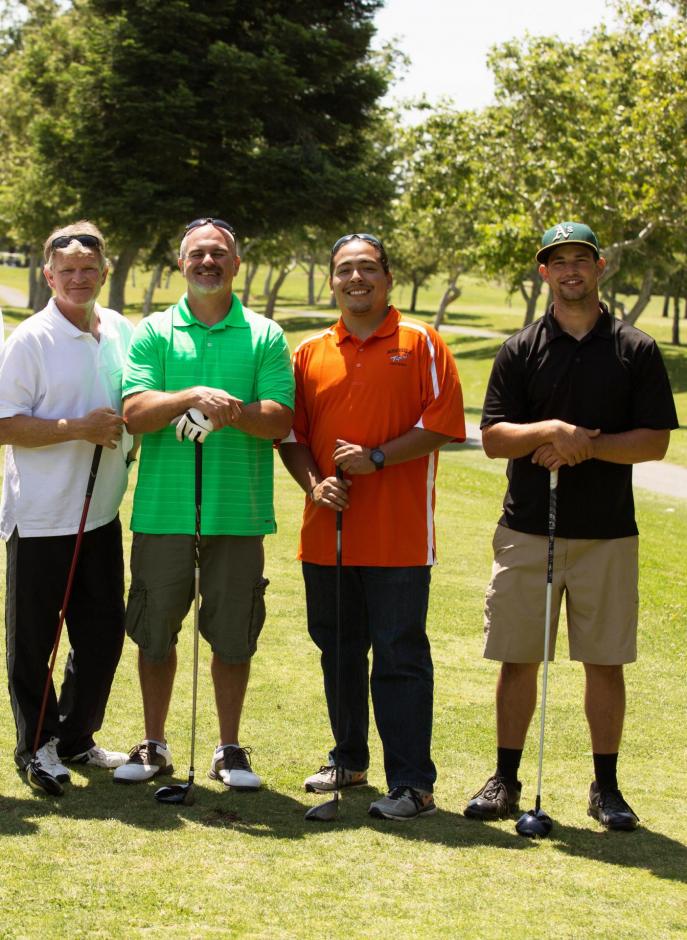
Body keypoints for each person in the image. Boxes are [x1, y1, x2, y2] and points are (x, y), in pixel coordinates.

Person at [464, 221, 679, 831]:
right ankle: (505, 778)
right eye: (558, 262)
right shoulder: (520, 349)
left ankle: (606, 788)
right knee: (518, 659)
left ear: (601, 266)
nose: (570, 271)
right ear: (543, 273)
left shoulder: (634, 349)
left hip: (607, 533)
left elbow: (655, 441)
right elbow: (495, 438)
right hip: (530, 529)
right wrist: (549, 432)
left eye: (580, 259)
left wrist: (584, 446)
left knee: (604, 661)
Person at [280, 233, 465, 820]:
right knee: (337, 651)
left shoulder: (421, 343)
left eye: (367, 269)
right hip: (326, 533)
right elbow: (293, 436)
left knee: (399, 656)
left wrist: (378, 457)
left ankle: (413, 783)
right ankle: (349, 759)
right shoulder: (310, 351)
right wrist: (315, 484)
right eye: (344, 270)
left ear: (388, 279)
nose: (355, 279)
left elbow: (444, 424)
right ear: (332, 281)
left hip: (400, 537)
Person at [114, 218, 294, 789]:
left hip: (237, 515)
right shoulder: (154, 332)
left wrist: (227, 409)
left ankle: (229, 748)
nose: (208, 262)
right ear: (181, 264)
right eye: (197, 254)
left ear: (236, 264)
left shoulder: (264, 334)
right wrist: (192, 395)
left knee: (234, 635)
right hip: (163, 513)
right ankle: (153, 743)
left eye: (219, 254)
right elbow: (136, 412)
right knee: (155, 631)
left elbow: (280, 420)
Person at [0, 221, 134, 785]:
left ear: (104, 272)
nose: (78, 278)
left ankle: (76, 737)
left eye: (88, 269)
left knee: (103, 635)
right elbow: (4, 424)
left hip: (100, 514)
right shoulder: (30, 339)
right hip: (39, 518)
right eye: (66, 270)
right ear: (49, 275)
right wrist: (78, 429)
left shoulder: (122, 329)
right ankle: (35, 748)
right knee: (33, 643)